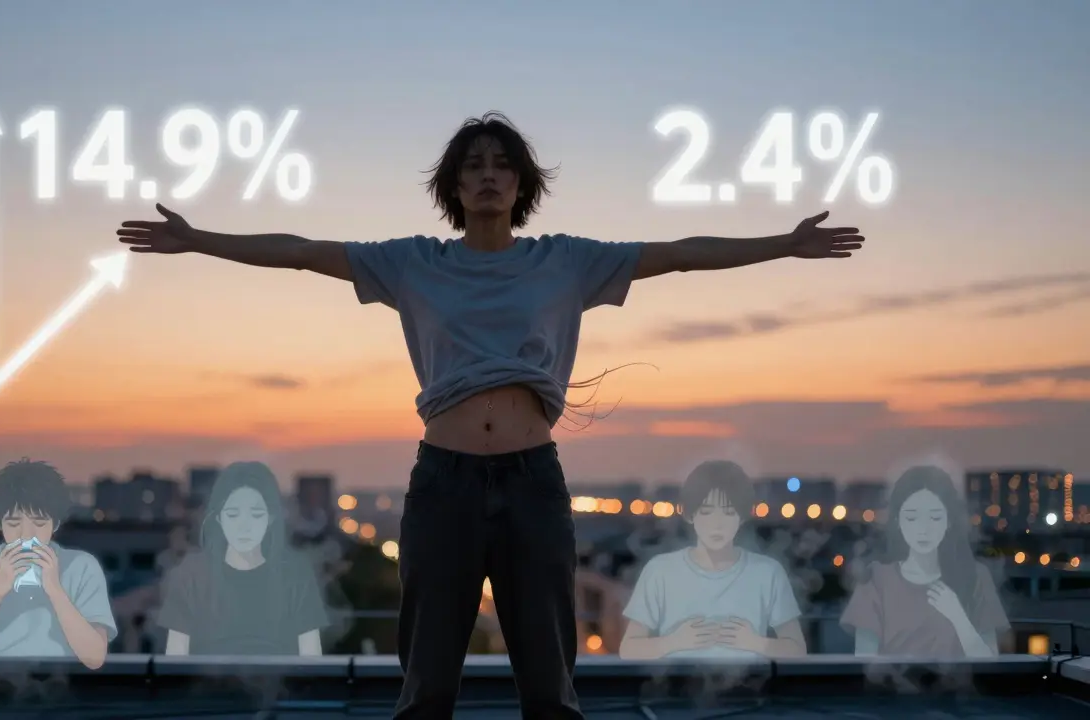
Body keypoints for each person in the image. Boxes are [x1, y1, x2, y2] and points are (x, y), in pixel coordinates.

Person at [118, 112, 865, 718]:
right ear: (452, 185)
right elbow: (303, 252)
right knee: (426, 688)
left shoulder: (565, 260)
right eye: (472, 164)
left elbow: (678, 254)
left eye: (499, 164)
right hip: (442, 483)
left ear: (521, 183)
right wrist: (196, 240)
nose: (486, 175)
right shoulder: (415, 262)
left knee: (549, 686)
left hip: (533, 481)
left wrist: (786, 245)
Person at [0, 459, 116, 668]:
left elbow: (94, 658)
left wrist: (55, 590)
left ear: (55, 523)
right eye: (13, 523)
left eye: (39, 523)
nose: (26, 535)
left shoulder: (82, 567)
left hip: (65, 688)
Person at [620, 460, 805, 660]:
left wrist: (756, 643)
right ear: (690, 515)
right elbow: (628, 649)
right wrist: (673, 642)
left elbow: (797, 650)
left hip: (753, 688)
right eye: (707, 511)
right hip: (673, 689)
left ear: (742, 517)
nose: (717, 524)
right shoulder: (660, 570)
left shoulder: (767, 572)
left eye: (728, 512)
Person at [157, 462, 329, 655]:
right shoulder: (190, 575)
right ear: (219, 518)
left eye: (255, 514)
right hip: (203, 684)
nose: (244, 526)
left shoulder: (296, 575)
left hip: (282, 683)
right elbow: (175, 659)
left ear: (271, 518)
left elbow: (312, 659)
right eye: (233, 514)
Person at [841, 465, 1009, 658]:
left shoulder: (975, 576)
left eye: (935, 517)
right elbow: (864, 662)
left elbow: (990, 662)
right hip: (889, 687)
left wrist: (958, 617)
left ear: (949, 521)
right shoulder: (876, 580)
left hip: (962, 688)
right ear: (897, 521)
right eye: (912, 518)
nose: (924, 529)